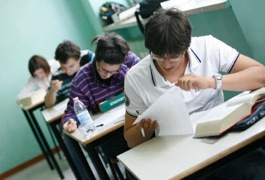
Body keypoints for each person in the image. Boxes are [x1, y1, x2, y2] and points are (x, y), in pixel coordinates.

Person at [124, 8, 265, 179]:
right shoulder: (135, 77)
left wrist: (210, 82)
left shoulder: (207, 46)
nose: (166, 64)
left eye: (174, 56)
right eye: (159, 56)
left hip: (222, 139)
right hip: (180, 155)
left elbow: (261, 75)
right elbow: (130, 140)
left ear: (186, 45)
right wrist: (144, 129)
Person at [62, 32, 140, 178]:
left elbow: (147, 79)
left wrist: (124, 73)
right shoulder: (82, 79)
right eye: (103, 69)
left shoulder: (128, 59)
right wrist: (70, 121)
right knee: (129, 156)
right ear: (96, 59)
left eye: (114, 71)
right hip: (111, 135)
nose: (108, 75)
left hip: (137, 120)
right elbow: (73, 110)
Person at [44, 40, 94, 108]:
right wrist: (53, 91)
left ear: (79, 59)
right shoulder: (57, 75)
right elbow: (48, 104)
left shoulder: (89, 57)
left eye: (71, 66)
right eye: (63, 67)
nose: (67, 71)